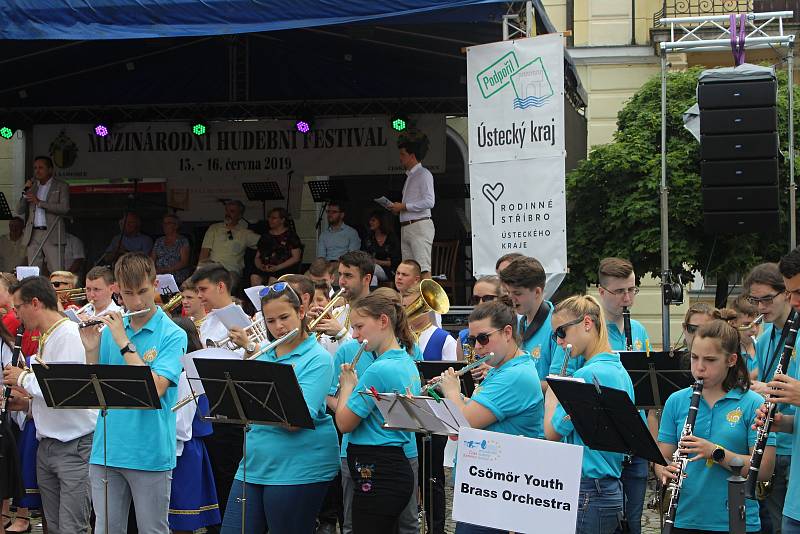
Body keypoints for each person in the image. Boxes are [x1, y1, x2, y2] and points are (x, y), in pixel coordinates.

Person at [78, 252, 186, 534]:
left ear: (154, 284)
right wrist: (91, 348)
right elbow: (95, 388)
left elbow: (155, 388)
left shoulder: (173, 334)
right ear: (117, 291)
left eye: (142, 292)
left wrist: (124, 343)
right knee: (106, 529)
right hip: (106, 449)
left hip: (148, 452)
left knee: (152, 530)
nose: (136, 302)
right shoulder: (111, 329)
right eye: (128, 294)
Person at [221, 281, 339, 533]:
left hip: (298, 466)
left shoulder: (318, 358)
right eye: (270, 320)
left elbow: (297, 420)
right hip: (254, 462)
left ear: (301, 312)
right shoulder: (263, 351)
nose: (278, 327)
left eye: (284, 317)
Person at [656, 319, 775, 533]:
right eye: (694, 358)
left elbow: (764, 469)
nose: (699, 367)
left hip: (735, 521)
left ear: (731, 360)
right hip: (684, 518)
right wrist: (663, 468)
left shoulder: (753, 404)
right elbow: (663, 456)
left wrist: (714, 452)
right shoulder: (676, 400)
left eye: (710, 360)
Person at [438, 300, 545, 534]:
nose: (477, 347)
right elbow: (481, 413)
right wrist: (461, 399)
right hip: (484, 488)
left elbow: (462, 424)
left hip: (499, 494)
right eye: (471, 339)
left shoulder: (514, 376)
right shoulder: (501, 370)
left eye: (483, 338)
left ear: (508, 332)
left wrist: (452, 391)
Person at [2, 275, 97, 534]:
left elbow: (66, 389)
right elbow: (53, 399)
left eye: (18, 308)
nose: (16, 316)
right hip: (49, 443)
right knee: (53, 526)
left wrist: (22, 377)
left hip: (74, 446)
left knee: (72, 527)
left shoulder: (68, 334)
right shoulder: (47, 336)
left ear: (35, 303)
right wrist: (26, 405)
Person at [544, 295, 634, 534]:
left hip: (589, 491)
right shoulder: (618, 369)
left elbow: (551, 432)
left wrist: (553, 391)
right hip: (606, 488)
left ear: (587, 323)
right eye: (555, 336)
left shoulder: (588, 374)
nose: (559, 342)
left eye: (561, 332)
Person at [335, 291, 421, 533]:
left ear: (383, 321)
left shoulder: (378, 369)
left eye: (360, 326)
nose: (354, 335)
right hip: (393, 463)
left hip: (377, 466)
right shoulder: (406, 361)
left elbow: (344, 423)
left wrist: (348, 385)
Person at [593, 257, 650, 534]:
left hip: (635, 438)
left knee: (633, 522)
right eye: (620, 292)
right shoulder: (590, 331)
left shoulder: (638, 330)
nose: (627, 298)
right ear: (602, 292)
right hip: (604, 438)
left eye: (632, 289)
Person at [188, 263, 245, 524]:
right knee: (212, 474)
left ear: (221, 286)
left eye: (203, 289)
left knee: (225, 474)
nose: (199, 296)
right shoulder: (208, 320)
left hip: (229, 409)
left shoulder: (240, 320)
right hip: (205, 406)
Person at [745, 262, 799, 532]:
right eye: (756, 300)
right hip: (774, 439)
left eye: (767, 299)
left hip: (791, 448)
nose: (761, 307)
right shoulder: (766, 338)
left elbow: (791, 389)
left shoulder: (797, 335)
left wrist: (767, 389)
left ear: (785, 294)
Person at [169, 316, 221, 534]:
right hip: (185, 449)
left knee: (181, 522)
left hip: (183, 452)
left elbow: (181, 425)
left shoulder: (187, 375)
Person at [498, 256, 558, 390]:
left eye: (517, 293)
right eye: (509, 292)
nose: (511, 299)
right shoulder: (519, 323)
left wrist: (512, 379)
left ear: (537, 292)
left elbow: (560, 386)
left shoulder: (557, 329)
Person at [388, 134, 435, 278]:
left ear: (412, 156)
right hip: (407, 226)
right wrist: (399, 209)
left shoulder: (424, 174)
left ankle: (427, 300)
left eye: (403, 154)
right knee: (409, 270)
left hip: (419, 226)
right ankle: (412, 300)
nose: (400, 158)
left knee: (423, 268)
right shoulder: (410, 176)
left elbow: (429, 202)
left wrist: (404, 206)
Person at [17, 156, 70, 272]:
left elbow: (64, 208)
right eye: (35, 168)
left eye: (41, 167)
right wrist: (24, 192)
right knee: (33, 269)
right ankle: (34, 290)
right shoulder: (33, 187)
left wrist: (40, 203)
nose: (37, 171)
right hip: (33, 233)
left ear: (50, 170)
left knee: (57, 269)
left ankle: (60, 290)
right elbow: (19, 210)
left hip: (52, 232)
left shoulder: (61, 186)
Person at [198, 200, 260, 291]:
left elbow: (266, 243)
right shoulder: (214, 228)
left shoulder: (245, 233)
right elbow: (204, 252)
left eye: (232, 211)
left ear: (240, 215)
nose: (228, 214)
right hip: (212, 269)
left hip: (231, 271)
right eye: (227, 211)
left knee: (227, 283)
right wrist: (200, 270)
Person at [456, 275, 507, 360]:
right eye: (476, 299)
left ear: (501, 299)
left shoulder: (510, 332)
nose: (480, 303)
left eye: (487, 298)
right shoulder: (464, 337)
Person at [250, 207, 302, 286]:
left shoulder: (291, 235)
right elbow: (257, 256)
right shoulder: (265, 236)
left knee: (273, 279)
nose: (270, 220)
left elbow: (296, 257)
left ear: (282, 220)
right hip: (266, 267)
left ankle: (272, 298)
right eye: (269, 218)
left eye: (274, 218)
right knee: (254, 277)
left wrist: (277, 267)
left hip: (284, 268)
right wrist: (260, 266)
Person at [150, 213, 192, 287]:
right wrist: (153, 271)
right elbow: (152, 259)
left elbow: (184, 262)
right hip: (158, 275)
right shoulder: (159, 241)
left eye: (168, 223)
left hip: (176, 276)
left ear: (176, 226)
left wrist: (165, 270)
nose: (164, 225)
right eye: (164, 223)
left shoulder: (183, 241)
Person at [361, 210, 401, 281]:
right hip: (370, 269)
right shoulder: (369, 238)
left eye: (373, 220)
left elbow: (396, 261)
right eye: (370, 220)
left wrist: (377, 261)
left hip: (389, 272)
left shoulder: (392, 238)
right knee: (372, 278)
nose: (370, 222)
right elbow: (363, 255)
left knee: (371, 269)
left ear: (381, 221)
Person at [731, 294, 761, 381]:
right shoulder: (727, 352)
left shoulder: (764, 348)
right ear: (733, 323)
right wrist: (753, 375)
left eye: (757, 324)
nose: (754, 330)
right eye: (747, 324)